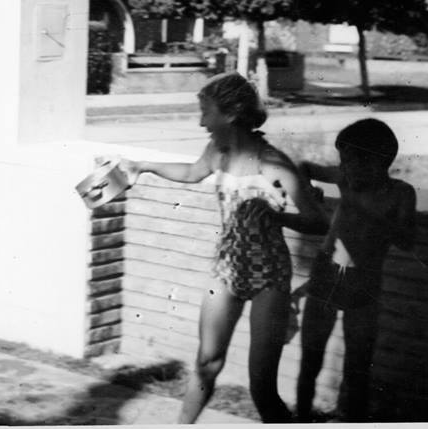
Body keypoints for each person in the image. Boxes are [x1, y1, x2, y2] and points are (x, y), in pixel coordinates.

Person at [117, 73, 328, 423]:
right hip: (227, 267)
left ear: (230, 114)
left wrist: (277, 219)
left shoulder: (272, 163)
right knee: (206, 362)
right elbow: (191, 172)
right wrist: (144, 166)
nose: (201, 121)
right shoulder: (217, 151)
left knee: (261, 386)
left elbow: (318, 222)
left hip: (269, 274)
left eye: (205, 112)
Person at [295, 118, 417, 422]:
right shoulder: (345, 179)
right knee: (311, 356)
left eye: (349, 161)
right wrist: (307, 194)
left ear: (378, 161)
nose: (344, 168)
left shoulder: (401, 193)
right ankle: (300, 416)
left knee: (359, 362)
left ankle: (352, 419)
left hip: (365, 280)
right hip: (327, 273)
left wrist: (375, 215)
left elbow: (407, 241)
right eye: (342, 161)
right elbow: (304, 167)